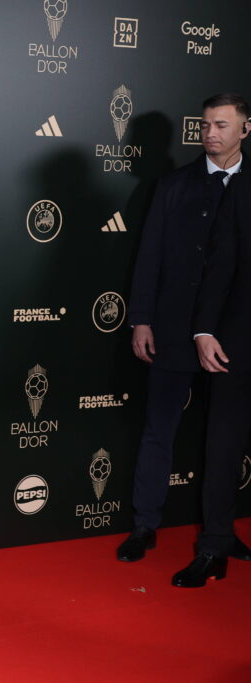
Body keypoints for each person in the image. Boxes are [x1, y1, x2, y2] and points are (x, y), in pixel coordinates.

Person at [121, 93, 251, 566]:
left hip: (234, 337)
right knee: (160, 428)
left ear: (245, 129)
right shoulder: (174, 186)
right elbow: (149, 254)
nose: (210, 133)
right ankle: (144, 526)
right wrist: (141, 319)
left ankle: (220, 532)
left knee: (226, 438)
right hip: (173, 329)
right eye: (205, 125)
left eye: (221, 124)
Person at [183, 133, 251, 588]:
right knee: (223, 445)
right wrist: (205, 330)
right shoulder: (243, 188)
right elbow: (221, 263)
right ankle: (215, 544)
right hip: (238, 340)